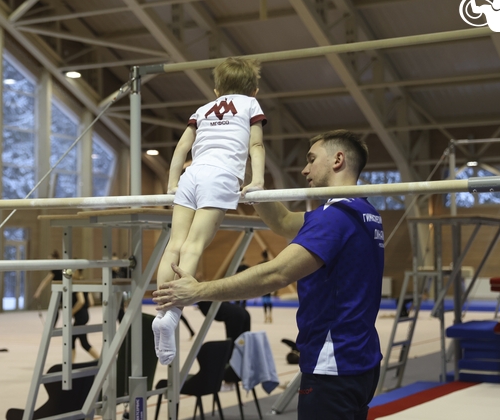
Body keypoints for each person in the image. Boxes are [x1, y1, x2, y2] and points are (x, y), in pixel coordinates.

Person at [154, 130, 384, 420]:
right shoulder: (363, 212)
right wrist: (247, 177)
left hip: (333, 364)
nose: (305, 169)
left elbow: (275, 275)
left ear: (338, 160)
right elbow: (284, 220)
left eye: (312, 160)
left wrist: (198, 291)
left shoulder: (333, 218)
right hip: (361, 359)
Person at [153, 57, 266, 366]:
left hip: (192, 174)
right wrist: (257, 181)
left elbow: (181, 147)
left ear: (217, 90)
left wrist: (172, 182)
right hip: (221, 177)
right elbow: (256, 146)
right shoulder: (250, 106)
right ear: (254, 90)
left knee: (174, 244)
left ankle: (162, 311)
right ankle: (173, 313)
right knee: (194, 246)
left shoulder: (202, 110)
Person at [71, 270, 100, 361]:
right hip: (85, 315)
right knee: (74, 341)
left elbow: (81, 301)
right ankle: (70, 364)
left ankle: (100, 360)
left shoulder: (76, 284)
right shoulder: (84, 283)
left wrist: (71, 312)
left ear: (76, 272)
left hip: (80, 316)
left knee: (82, 342)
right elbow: (91, 302)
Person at [259, 251, 274, 323]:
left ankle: (265, 317)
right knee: (269, 300)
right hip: (269, 283)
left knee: (264, 301)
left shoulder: (260, 264)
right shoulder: (271, 263)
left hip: (263, 284)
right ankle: (270, 316)